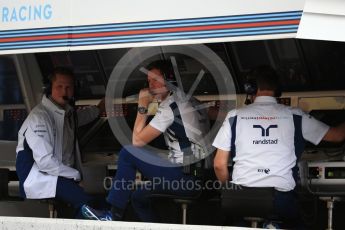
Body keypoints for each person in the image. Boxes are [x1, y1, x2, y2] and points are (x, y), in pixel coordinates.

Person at [212, 66, 345, 228]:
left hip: (240, 200)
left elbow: (219, 165)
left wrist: (230, 192)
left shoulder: (234, 116)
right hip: (281, 200)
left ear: (251, 88)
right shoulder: (295, 116)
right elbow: (338, 136)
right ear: (278, 90)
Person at [82, 60, 211, 222]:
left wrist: (142, 106)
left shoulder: (170, 107)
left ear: (170, 79)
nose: (151, 86)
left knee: (128, 153)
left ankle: (112, 215)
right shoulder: (192, 100)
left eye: (156, 80)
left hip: (185, 178)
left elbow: (136, 142)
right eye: (149, 81)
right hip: (200, 176)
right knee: (139, 197)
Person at [16, 67, 105, 219]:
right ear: (49, 88)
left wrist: (100, 108)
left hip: (59, 175)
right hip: (41, 177)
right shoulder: (40, 117)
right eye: (59, 86)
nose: (64, 91)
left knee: (98, 202)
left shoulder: (66, 113)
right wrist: (75, 175)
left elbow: (81, 117)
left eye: (69, 87)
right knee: (88, 204)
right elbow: (45, 162)